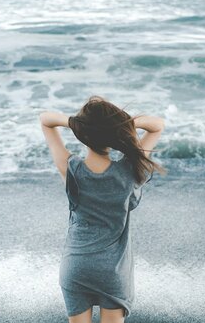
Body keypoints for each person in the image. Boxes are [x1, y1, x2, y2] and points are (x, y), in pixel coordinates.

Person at [39, 95, 166, 323]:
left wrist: (79, 124)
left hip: (76, 265)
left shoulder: (72, 169)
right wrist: (117, 126)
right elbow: (157, 126)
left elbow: (45, 119)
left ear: (83, 133)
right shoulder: (130, 171)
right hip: (113, 270)